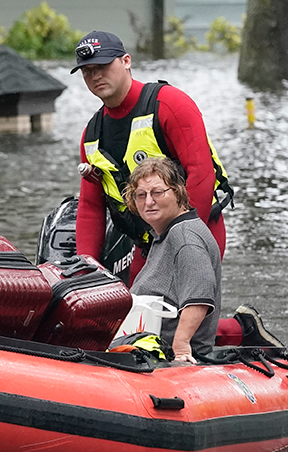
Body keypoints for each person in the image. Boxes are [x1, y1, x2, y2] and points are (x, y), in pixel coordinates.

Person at [71, 30, 233, 285]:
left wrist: (184, 242)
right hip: (145, 244)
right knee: (139, 320)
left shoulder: (170, 104)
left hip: (197, 232)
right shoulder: (91, 135)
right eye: (87, 71)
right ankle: (244, 326)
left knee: (187, 320)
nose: (95, 76)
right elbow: (91, 207)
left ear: (126, 61)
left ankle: (241, 326)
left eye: (102, 65)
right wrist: (84, 269)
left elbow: (201, 174)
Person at [123, 157, 221, 362]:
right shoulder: (168, 233)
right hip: (145, 348)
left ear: (177, 192)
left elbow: (200, 295)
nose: (148, 202)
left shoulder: (185, 238)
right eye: (141, 195)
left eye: (157, 192)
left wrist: (182, 348)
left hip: (166, 357)